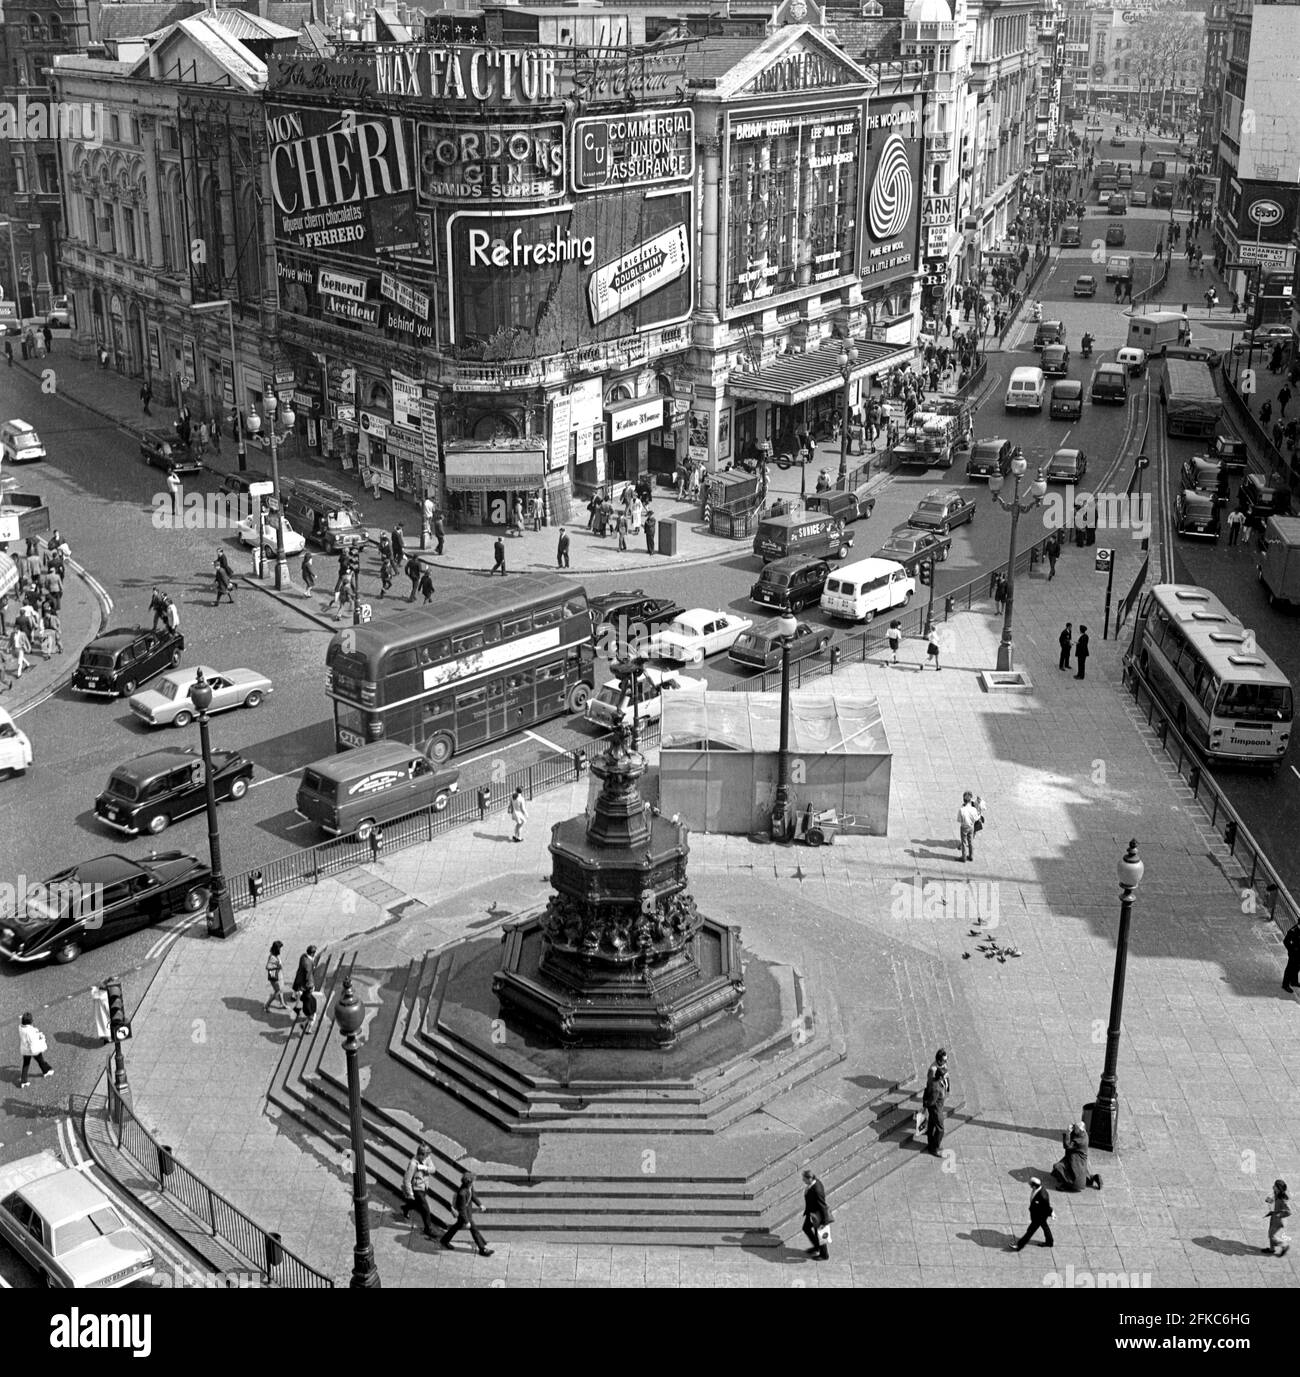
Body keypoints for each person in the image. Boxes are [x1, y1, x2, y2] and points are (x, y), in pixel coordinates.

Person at [440, 1171, 492, 1255]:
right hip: (464, 1214)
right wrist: (467, 1221)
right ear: (469, 1182)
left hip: (468, 1210)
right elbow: (462, 1209)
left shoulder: (470, 1187)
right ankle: (482, 1248)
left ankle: (444, 1240)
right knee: (474, 1229)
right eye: (473, 1180)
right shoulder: (462, 1193)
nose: (474, 1182)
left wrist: (480, 1204)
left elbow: (473, 1196)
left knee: (457, 1226)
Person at [401, 1143, 439, 1239]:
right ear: (420, 1154)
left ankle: (406, 1208)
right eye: (425, 1157)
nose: (427, 1158)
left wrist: (425, 1168)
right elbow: (407, 1180)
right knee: (425, 1209)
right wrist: (410, 1193)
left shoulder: (427, 1158)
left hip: (424, 1186)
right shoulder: (413, 1164)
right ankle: (428, 1228)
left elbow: (433, 1169)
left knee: (417, 1204)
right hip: (417, 1188)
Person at [1053, 1120, 1102, 1192]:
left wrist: (1068, 1133)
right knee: (1080, 1174)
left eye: (1075, 1128)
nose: (1074, 1129)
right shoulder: (1082, 1134)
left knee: (1059, 1167)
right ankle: (1093, 1178)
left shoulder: (1080, 1140)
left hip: (1076, 1160)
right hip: (1075, 1158)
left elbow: (1067, 1145)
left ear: (1080, 1129)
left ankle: (1068, 1184)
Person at [1009, 1177, 1054, 1251]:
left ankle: (1019, 1245)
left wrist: (1051, 1212)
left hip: (1039, 1216)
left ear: (1034, 1186)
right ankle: (1050, 1242)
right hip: (1038, 1215)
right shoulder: (1038, 1189)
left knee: (1030, 1231)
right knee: (1045, 1227)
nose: (1029, 1186)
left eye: (1030, 1185)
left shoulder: (1043, 1196)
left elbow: (1046, 1206)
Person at [922, 1049, 950, 1156]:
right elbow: (931, 1092)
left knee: (932, 1124)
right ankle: (934, 1148)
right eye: (944, 1061)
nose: (945, 1064)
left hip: (938, 1104)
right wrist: (926, 1105)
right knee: (940, 1128)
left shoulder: (941, 1072)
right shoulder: (934, 1080)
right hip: (936, 1107)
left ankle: (931, 1144)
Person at [801, 1169, 832, 1261]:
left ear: (809, 1178)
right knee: (806, 1228)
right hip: (811, 1213)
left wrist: (824, 1221)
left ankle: (824, 1255)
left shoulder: (817, 1189)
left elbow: (822, 1205)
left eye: (804, 1179)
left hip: (817, 1215)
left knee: (819, 1233)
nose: (803, 1180)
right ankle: (816, 1247)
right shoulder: (813, 1184)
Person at [18, 1012, 54, 1087]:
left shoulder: (20, 1027)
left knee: (26, 1064)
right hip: (32, 1050)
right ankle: (46, 1071)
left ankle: (23, 1081)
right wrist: (40, 1037)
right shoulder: (30, 1031)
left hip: (25, 1049)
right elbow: (33, 1041)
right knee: (40, 1060)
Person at [293, 945, 321, 1032]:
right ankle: (308, 1029)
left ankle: (297, 1007)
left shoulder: (303, 957)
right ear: (312, 953)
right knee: (312, 1017)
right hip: (305, 984)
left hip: (300, 981)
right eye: (315, 953)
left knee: (299, 994)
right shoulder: (308, 964)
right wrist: (311, 985)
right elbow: (308, 976)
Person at [1265, 1180, 1291, 1257]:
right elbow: (1273, 1200)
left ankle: (1284, 1245)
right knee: (1270, 1232)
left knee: (1271, 1236)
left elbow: (1289, 1212)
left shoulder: (1283, 1200)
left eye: (1275, 1186)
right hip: (1274, 1217)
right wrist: (1270, 1200)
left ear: (1279, 1189)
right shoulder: (1277, 1194)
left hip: (1278, 1220)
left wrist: (1279, 1215)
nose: (1273, 1187)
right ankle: (1271, 1249)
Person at [265, 941, 293, 1012]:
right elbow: (268, 967)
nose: (281, 949)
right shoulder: (272, 957)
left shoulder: (275, 955)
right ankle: (267, 1005)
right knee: (277, 991)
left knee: (281, 990)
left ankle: (282, 1004)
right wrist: (277, 966)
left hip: (279, 975)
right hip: (275, 977)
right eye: (280, 948)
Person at [958, 791, 982, 862]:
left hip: (964, 826)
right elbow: (977, 818)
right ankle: (971, 856)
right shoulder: (974, 809)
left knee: (964, 842)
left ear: (963, 799)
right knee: (970, 841)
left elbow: (959, 819)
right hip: (971, 827)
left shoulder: (962, 809)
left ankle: (964, 857)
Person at [1281, 922, 1300, 993]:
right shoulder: (1293, 931)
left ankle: (1294, 981)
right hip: (1294, 954)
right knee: (1290, 969)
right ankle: (1285, 984)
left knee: (1297, 967)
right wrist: (1292, 950)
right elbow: (1286, 941)